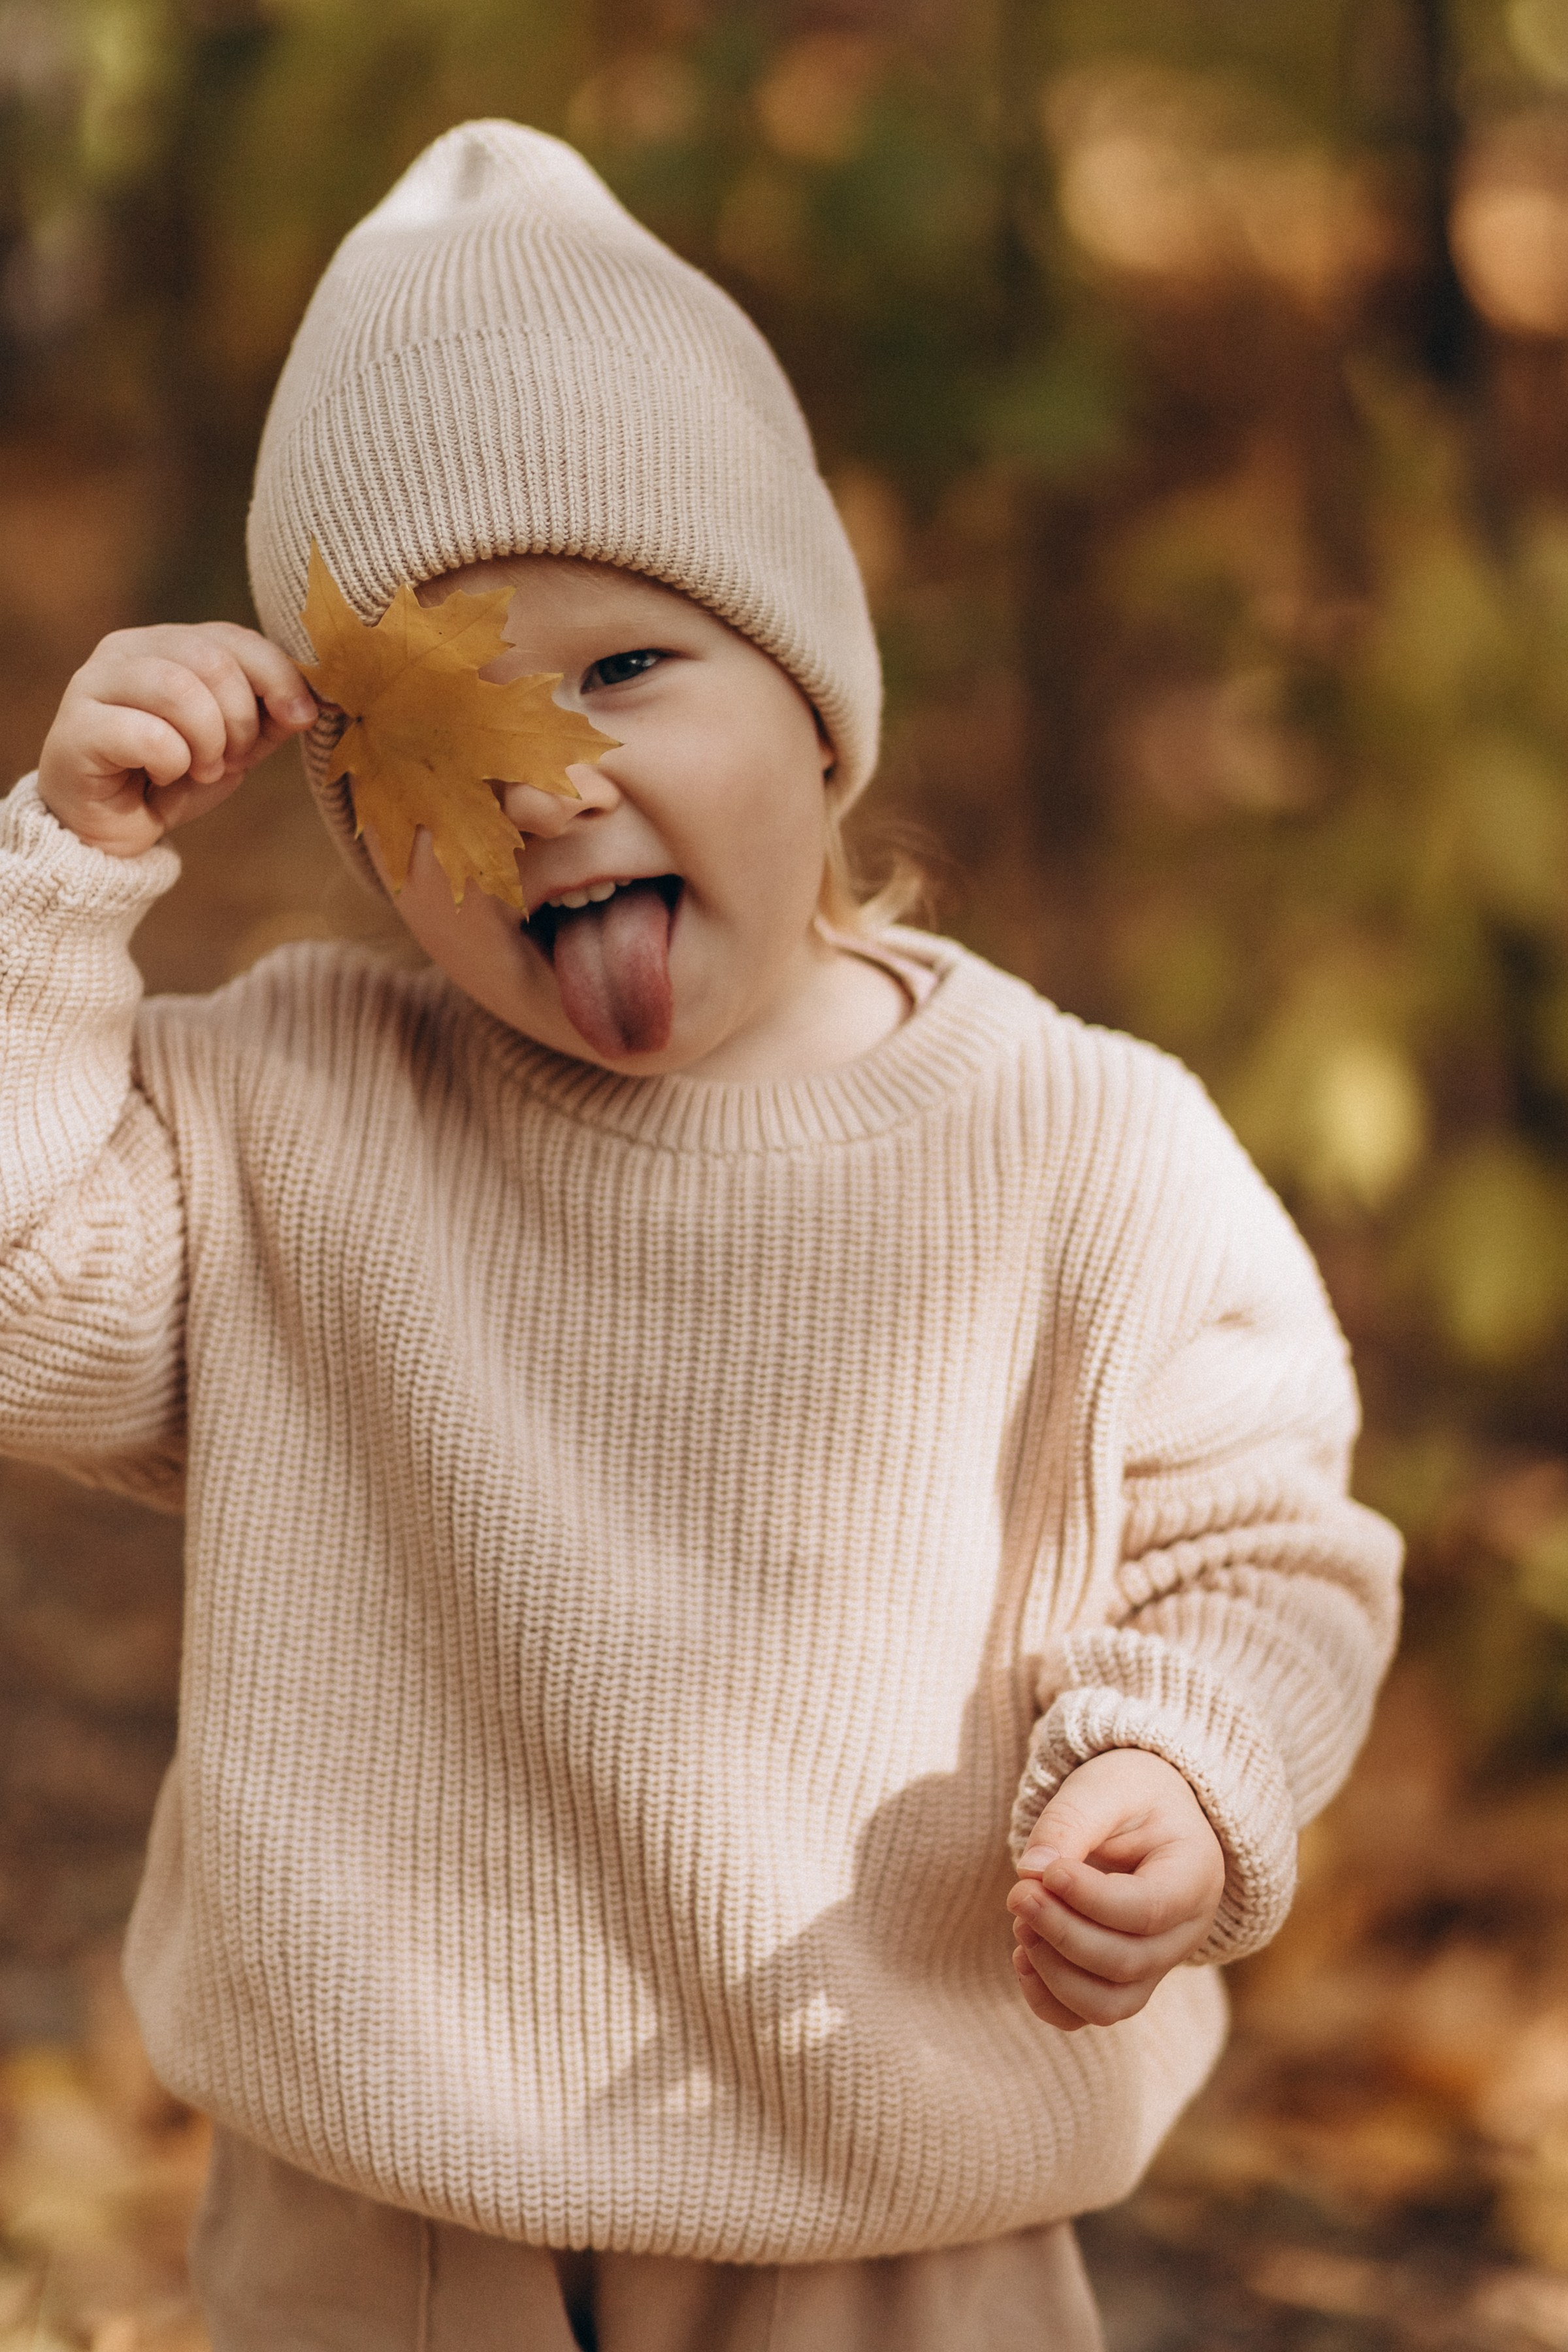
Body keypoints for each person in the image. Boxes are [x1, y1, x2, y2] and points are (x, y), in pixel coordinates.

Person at [0, 120, 1401, 2352]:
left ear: (820, 716)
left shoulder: (1084, 1152)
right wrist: (60, 885)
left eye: (631, 670)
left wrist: (1184, 1768)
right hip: (387, 2231)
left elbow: (1270, 1551)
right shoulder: (296, 1108)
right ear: (357, 816)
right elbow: (17, 1298)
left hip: (897, 2225)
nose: (547, 784)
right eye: (444, 735)